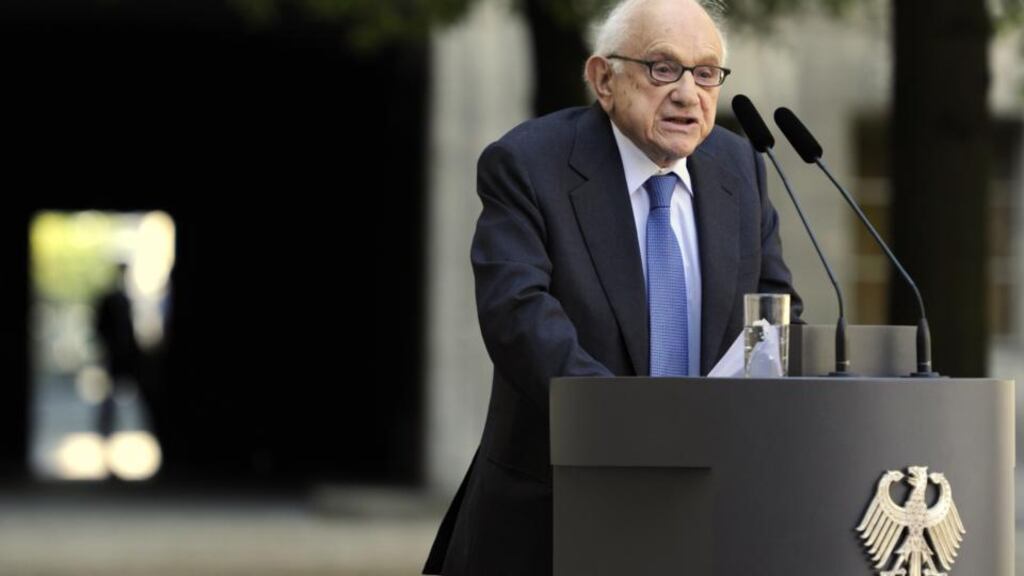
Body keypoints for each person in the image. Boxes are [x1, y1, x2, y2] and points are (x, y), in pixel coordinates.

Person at [424, 0, 802, 573]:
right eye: (663, 68)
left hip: (709, 508)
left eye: (706, 74)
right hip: (556, 511)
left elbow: (775, 315)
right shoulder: (529, 164)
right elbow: (518, 316)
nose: (688, 94)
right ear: (604, 79)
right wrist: (634, 429)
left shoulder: (740, 167)